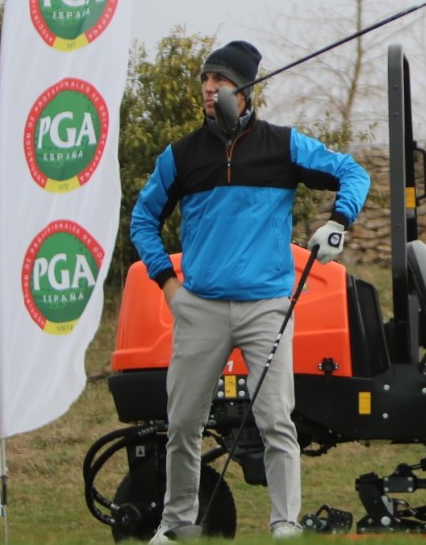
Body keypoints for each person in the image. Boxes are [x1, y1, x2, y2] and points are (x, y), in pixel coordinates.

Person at [130, 40, 371, 543]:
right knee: (182, 426)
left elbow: (352, 171)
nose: (208, 89)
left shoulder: (283, 146)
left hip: (267, 305)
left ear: (244, 92)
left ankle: (285, 522)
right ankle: (176, 525)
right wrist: (167, 282)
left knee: (276, 420)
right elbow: (143, 218)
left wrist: (340, 221)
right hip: (200, 308)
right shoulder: (181, 156)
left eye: (219, 81)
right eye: (204, 80)